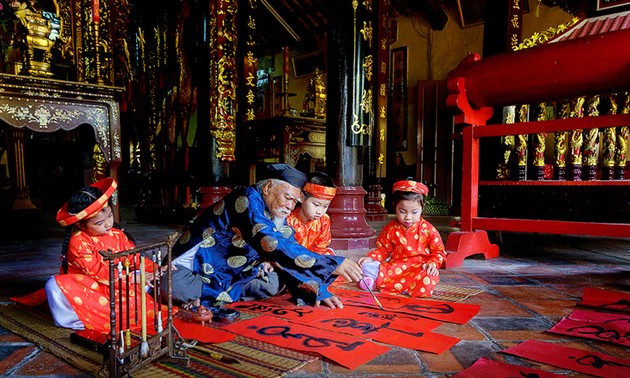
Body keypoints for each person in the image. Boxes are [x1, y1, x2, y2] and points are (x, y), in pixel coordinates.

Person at [166, 164, 362, 310]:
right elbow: (270, 242)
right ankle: (203, 294)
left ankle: (210, 295)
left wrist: (319, 288)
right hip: (196, 268)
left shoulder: (276, 213)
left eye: (294, 201)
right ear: (268, 187)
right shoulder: (245, 199)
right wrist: (329, 263)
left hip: (232, 274)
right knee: (175, 285)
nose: (290, 206)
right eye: (287, 198)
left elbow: (288, 246)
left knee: (275, 282)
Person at [34, 178, 163, 333]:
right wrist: (133, 278)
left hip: (118, 283)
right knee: (54, 286)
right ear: (80, 224)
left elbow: (133, 258)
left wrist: (156, 269)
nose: (108, 223)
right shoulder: (78, 242)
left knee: (145, 276)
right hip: (89, 287)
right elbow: (99, 273)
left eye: (109, 215)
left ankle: (111, 313)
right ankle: (82, 318)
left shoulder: (117, 234)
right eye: (99, 223)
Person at [357, 179, 446, 298]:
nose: (408, 217)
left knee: (429, 277)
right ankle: (401, 286)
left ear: (422, 208)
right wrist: (371, 258)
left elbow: (438, 252)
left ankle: (379, 284)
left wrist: (432, 264)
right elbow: (383, 249)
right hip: (395, 267)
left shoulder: (429, 229)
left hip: (419, 267)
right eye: (402, 211)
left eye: (414, 212)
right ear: (395, 207)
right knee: (366, 266)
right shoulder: (391, 228)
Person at [286, 171, 336, 256]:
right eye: (316, 205)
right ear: (301, 197)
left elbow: (321, 247)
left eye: (325, 206)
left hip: (313, 258)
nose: (320, 211)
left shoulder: (324, 220)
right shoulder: (288, 220)